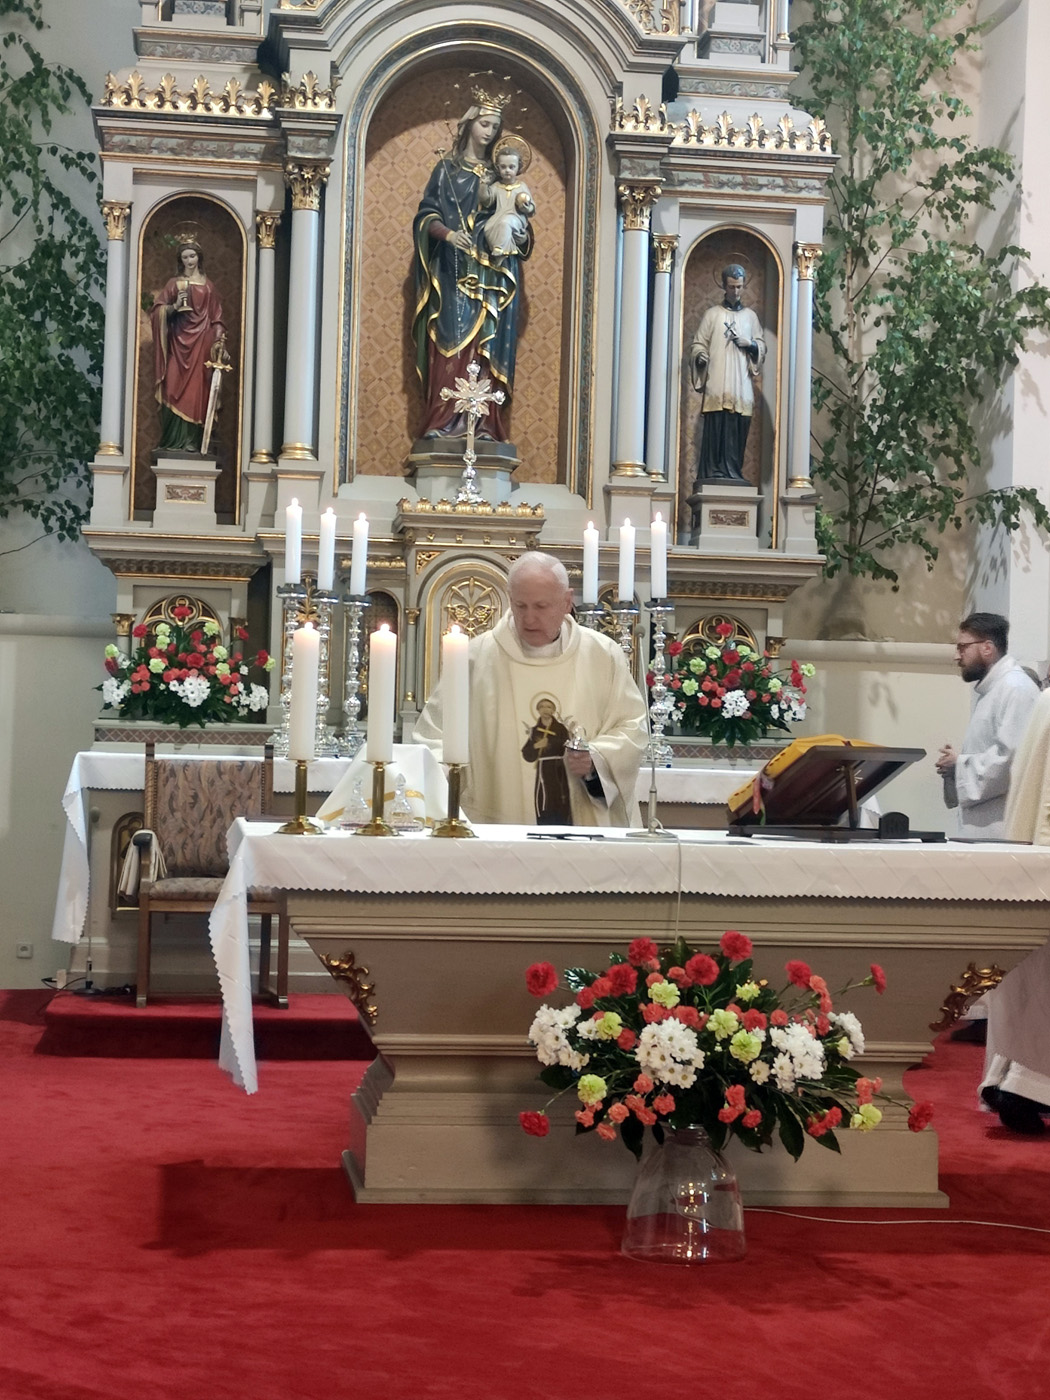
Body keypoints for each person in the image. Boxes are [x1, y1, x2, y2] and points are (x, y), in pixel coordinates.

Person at [414, 552, 647, 826]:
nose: (529, 619)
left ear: (567, 601)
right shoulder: (475, 658)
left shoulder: (602, 655)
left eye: (541, 606)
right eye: (520, 605)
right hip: (495, 826)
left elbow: (631, 728)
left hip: (582, 827)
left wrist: (596, 760)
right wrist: (442, 772)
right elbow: (434, 736)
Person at [411, 93, 530, 442]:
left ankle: (484, 425)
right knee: (452, 340)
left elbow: (517, 217)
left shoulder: (502, 173)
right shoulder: (447, 170)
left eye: (495, 126)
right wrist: (448, 234)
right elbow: (426, 215)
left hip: (492, 271)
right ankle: (443, 420)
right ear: (469, 125)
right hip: (453, 270)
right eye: (484, 124)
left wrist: (521, 235)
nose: (489, 132)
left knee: (485, 344)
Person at [935, 612, 1039, 838]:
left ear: (987, 648)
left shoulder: (1016, 689)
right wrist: (958, 764)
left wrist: (959, 764)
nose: (956, 656)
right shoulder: (994, 690)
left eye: (963, 647)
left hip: (1002, 824)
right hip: (985, 823)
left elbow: (1011, 759)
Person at [689, 263, 766, 486]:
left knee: (737, 430)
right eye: (732, 287)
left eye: (739, 287)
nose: (736, 291)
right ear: (724, 286)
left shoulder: (750, 317)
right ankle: (714, 471)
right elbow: (698, 344)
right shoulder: (712, 315)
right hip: (718, 383)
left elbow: (761, 346)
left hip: (740, 385)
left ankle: (734, 472)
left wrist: (750, 344)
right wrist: (700, 356)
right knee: (716, 429)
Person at [151, 240, 227, 453]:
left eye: (192, 256)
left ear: (199, 257)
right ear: (180, 260)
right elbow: (157, 312)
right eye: (185, 257)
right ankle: (172, 440)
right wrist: (174, 307)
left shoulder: (209, 286)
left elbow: (217, 318)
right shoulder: (173, 284)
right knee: (172, 386)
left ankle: (193, 440)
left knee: (196, 392)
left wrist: (219, 342)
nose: (189, 260)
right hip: (177, 343)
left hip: (202, 344)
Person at [520, 696, 572, 824]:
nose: (545, 709)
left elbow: (567, 745)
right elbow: (527, 754)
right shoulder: (534, 731)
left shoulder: (561, 728)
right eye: (542, 707)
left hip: (559, 768)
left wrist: (552, 742)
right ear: (538, 710)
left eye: (549, 707)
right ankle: (544, 823)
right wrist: (536, 746)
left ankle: (562, 824)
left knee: (561, 796)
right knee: (544, 797)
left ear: (553, 710)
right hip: (544, 768)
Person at [479, 139, 535, 258]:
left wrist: (526, 208)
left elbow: (531, 208)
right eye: (503, 167)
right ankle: (499, 254)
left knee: (506, 222)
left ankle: (500, 249)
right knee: (488, 227)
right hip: (499, 216)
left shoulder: (521, 186)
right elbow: (486, 200)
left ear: (518, 167)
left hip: (516, 218)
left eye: (511, 167)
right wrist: (483, 184)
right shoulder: (497, 186)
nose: (507, 170)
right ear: (498, 168)